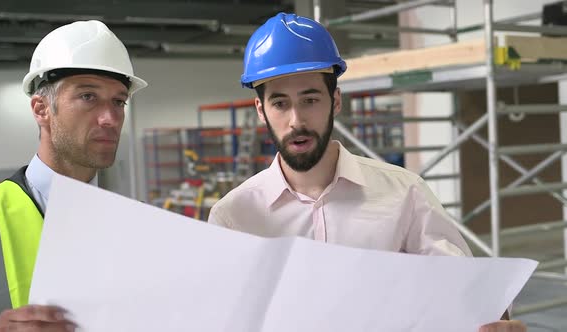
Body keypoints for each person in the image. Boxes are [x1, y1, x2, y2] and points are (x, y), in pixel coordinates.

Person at [207, 12, 526, 332]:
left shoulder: (404, 193)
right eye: (280, 104)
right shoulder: (232, 218)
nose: (296, 121)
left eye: (310, 100)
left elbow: (469, 293)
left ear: (335, 101)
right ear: (261, 110)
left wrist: (493, 319)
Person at [0, 20, 147, 332]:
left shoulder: (137, 227)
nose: (111, 119)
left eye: (119, 101)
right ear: (41, 109)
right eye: (87, 97)